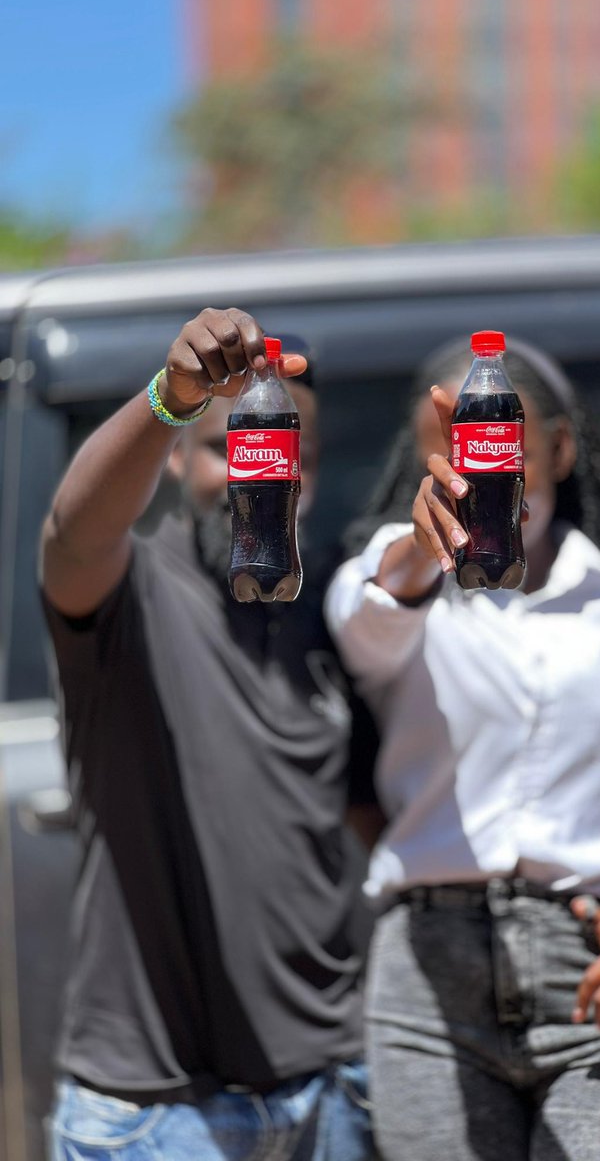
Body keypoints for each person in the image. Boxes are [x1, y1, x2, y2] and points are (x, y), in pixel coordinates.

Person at [325, 336, 600, 1161]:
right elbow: (367, 623)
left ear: (559, 450)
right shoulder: (396, 591)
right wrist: (418, 551)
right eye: (451, 456)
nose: (477, 476)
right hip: (429, 987)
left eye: (501, 448)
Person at [40, 308, 375, 1161]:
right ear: (183, 457)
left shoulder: (338, 610)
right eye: (230, 446)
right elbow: (75, 535)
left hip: (328, 1092)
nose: (251, 473)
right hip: (153, 1116)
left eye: (277, 452)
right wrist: (171, 397)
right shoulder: (133, 593)